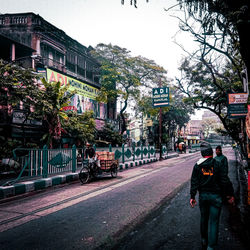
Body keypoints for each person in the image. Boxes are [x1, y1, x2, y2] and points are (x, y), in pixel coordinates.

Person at [190, 142, 235, 250]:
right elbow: (224, 180)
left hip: (203, 197)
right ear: (211, 153)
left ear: (202, 154)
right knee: (214, 222)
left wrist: (192, 196)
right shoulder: (217, 164)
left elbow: (194, 182)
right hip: (216, 197)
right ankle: (211, 246)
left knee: (204, 219)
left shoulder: (197, 166)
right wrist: (230, 194)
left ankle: (204, 240)